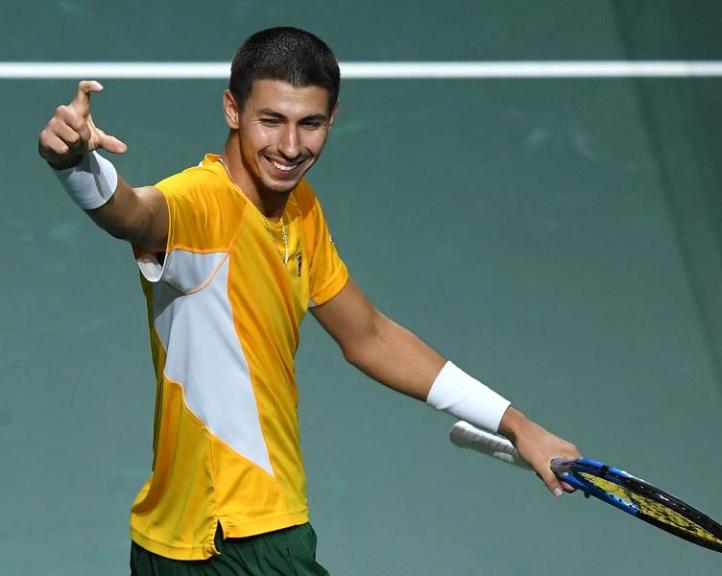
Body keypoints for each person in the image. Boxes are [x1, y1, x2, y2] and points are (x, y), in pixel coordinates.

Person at [38, 26, 579, 575]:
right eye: (271, 120)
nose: (291, 147)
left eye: (310, 124)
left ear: (332, 119)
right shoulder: (203, 203)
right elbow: (132, 214)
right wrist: (76, 167)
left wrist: (517, 424)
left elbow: (370, 335)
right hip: (235, 536)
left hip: (183, 537)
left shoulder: (299, 210)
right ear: (232, 109)